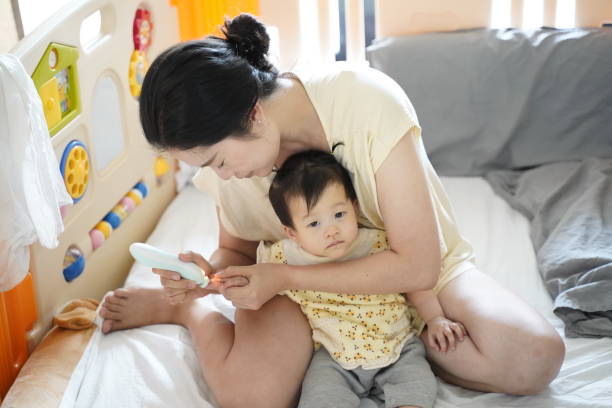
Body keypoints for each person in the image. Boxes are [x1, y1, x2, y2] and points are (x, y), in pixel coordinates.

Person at [99, 13, 565, 408]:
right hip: (306, 299)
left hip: (415, 281)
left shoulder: (365, 101)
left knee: (533, 358)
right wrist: (206, 280)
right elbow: (236, 251)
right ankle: (183, 315)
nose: (219, 177)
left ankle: (392, 349)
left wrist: (285, 278)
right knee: (253, 398)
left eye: (218, 160)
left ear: (254, 116)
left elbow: (419, 264)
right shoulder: (235, 171)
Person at [262, 149, 457, 408]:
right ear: (292, 233)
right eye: (314, 224)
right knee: (320, 396)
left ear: (354, 207)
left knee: (417, 386)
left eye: (339, 215)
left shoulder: (378, 243)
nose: (331, 230)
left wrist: (435, 318)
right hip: (335, 357)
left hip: (398, 347)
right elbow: (256, 283)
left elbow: (414, 283)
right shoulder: (284, 259)